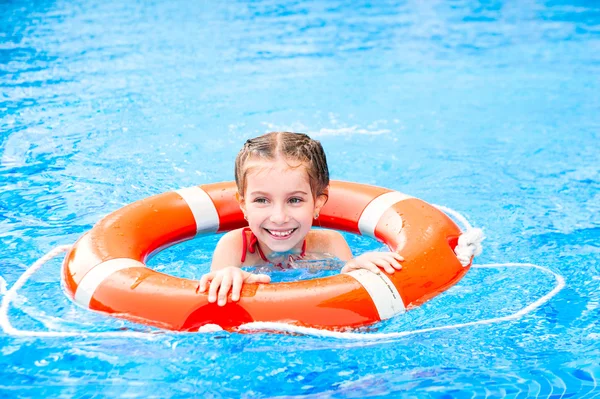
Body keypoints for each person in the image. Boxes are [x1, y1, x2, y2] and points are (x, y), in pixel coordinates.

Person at [198, 132, 403, 306]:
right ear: (243, 205)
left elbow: (344, 305)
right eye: (261, 200)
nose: (279, 217)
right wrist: (228, 278)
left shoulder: (330, 244)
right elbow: (215, 310)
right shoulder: (234, 248)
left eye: (294, 200)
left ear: (318, 204)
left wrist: (354, 273)